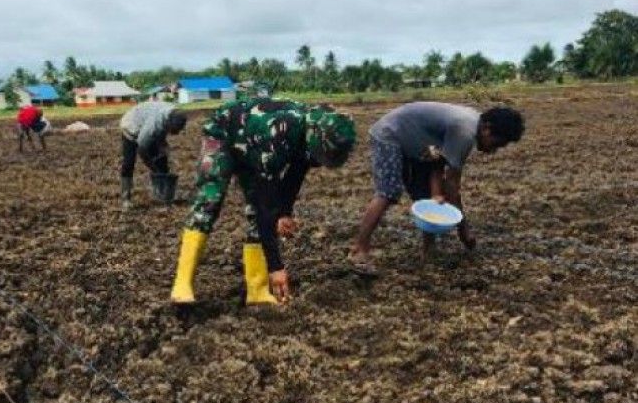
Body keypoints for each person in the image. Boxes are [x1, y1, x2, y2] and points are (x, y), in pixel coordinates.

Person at [170, 97, 356, 306]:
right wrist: (275, 267)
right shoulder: (279, 134)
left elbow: (295, 175)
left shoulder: (310, 136)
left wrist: (285, 212)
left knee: (257, 215)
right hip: (224, 134)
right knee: (211, 200)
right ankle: (182, 284)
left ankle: (257, 290)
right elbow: (264, 205)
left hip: (253, 146)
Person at [348, 102, 525, 274]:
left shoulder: (472, 124)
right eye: (496, 143)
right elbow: (452, 185)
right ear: (487, 127)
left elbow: (438, 164)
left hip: (419, 143)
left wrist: (435, 193)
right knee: (389, 192)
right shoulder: (464, 132)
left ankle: (429, 250)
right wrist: (464, 230)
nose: (494, 150)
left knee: (428, 197)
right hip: (391, 134)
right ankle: (359, 249)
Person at [118, 101, 187, 209]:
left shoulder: (175, 114)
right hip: (132, 125)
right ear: (169, 123)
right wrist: (153, 167)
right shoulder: (154, 125)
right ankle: (126, 199)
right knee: (129, 163)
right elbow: (142, 149)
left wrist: (164, 149)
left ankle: (164, 197)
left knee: (162, 159)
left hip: (148, 120)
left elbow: (161, 135)